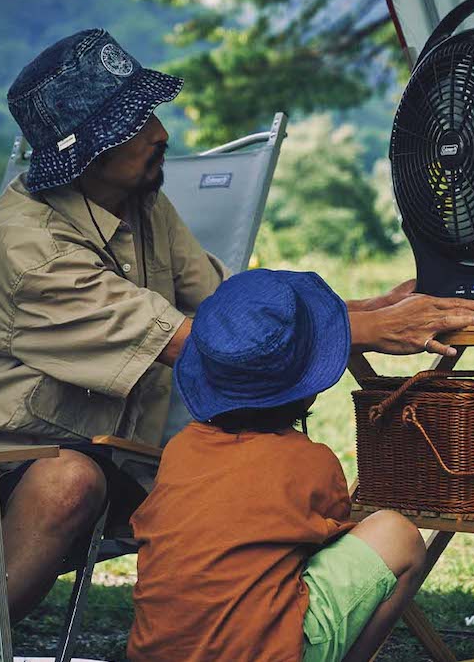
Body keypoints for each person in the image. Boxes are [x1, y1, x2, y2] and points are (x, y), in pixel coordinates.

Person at [0, 29, 474, 662]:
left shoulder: (144, 199)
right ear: (84, 154)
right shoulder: (30, 246)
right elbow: (199, 343)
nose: (159, 133)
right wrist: (363, 331)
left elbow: (227, 305)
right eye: (134, 122)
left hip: (82, 452)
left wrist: (359, 307)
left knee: (72, 478)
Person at [129, 269, 426, 662]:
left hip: (154, 654)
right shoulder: (311, 461)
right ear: (308, 387)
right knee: (397, 534)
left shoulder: (180, 449)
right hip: (263, 653)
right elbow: (328, 539)